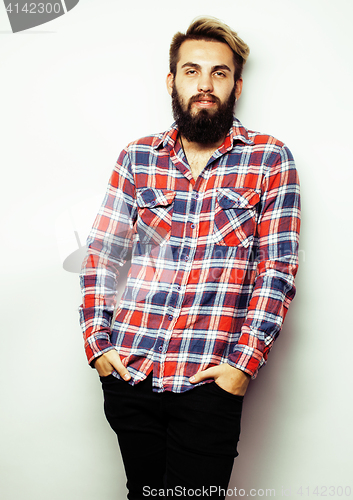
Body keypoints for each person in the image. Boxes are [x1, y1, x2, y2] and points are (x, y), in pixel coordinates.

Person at [79, 16, 300, 500]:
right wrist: (98, 345)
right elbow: (102, 256)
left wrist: (241, 367)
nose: (205, 85)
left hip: (208, 380)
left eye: (219, 73)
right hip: (132, 372)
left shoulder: (270, 159)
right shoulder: (137, 157)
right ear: (171, 80)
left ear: (237, 84)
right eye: (192, 71)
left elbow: (277, 270)